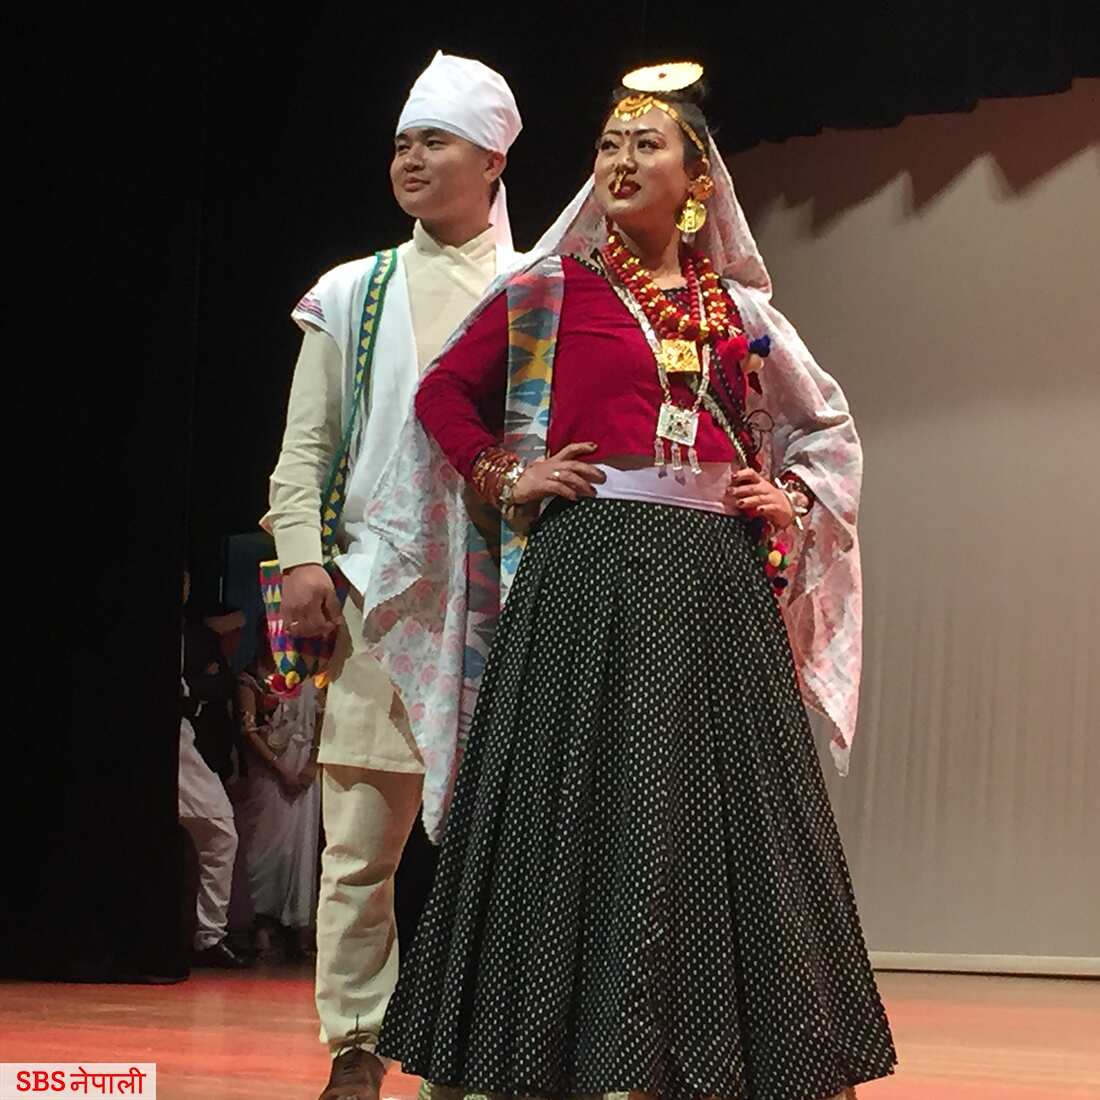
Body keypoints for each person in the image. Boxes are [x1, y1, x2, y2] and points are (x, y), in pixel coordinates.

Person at [363, 63, 896, 1100]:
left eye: (644, 146)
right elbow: (442, 393)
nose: (617, 160)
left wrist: (780, 490)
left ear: (695, 180)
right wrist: (509, 472)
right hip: (587, 568)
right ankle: (546, 1049)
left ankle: (718, 1051)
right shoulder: (548, 289)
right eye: (607, 147)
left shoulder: (740, 312)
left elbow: (822, 427)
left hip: (709, 580)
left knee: (705, 818)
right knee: (570, 809)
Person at [261, 50, 523, 1100]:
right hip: (378, 592)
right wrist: (295, 558)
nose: (408, 158)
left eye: (433, 140)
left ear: (492, 159)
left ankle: (463, 1047)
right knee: (359, 843)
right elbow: (303, 449)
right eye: (402, 142)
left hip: (504, 599)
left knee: (486, 845)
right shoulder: (351, 289)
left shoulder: (537, 286)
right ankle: (355, 1042)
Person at [235, 628, 323, 961]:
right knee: (267, 847)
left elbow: (322, 718)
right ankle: (262, 921)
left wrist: (312, 764)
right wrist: (280, 769)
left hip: (303, 766)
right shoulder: (251, 680)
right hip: (271, 770)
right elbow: (249, 729)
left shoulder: (308, 675)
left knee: (299, 849)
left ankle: (299, 925)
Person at [178, 577, 251, 970]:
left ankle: (207, 933)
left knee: (217, 832)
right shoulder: (199, 643)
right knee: (219, 830)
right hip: (181, 747)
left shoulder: (214, 657)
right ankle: (207, 934)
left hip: (198, 752)